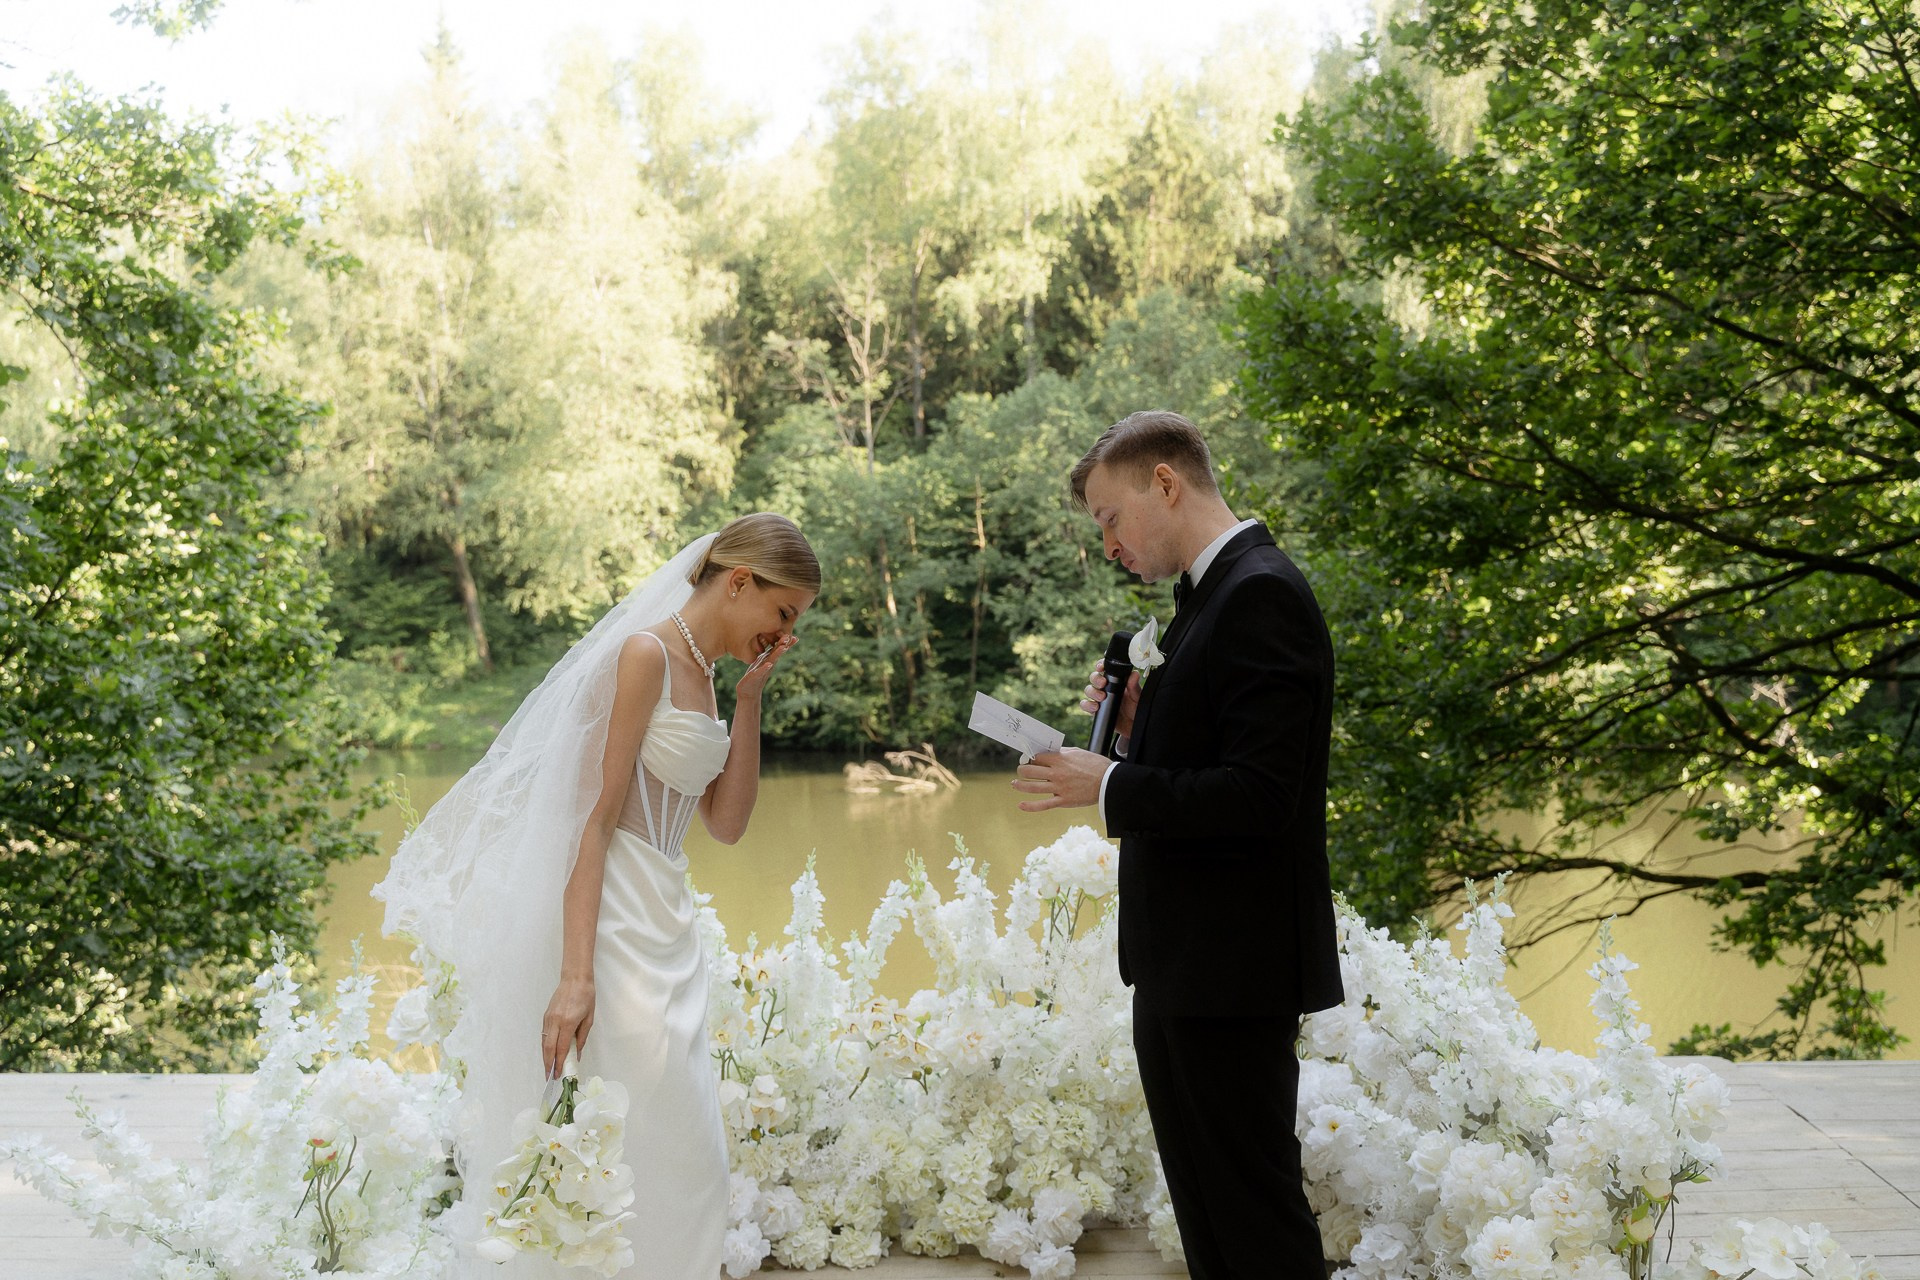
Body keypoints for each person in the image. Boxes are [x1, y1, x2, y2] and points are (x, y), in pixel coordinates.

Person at [375, 512, 819, 1280]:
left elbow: (728, 822)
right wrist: (574, 977)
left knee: (684, 1151)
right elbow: (593, 818)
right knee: (636, 1136)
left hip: (666, 916)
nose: (785, 632)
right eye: (783, 612)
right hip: (611, 921)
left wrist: (750, 701)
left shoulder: (709, 677)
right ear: (740, 581)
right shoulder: (643, 654)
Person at [1010, 411, 1343, 1279]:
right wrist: (1127, 727)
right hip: (1182, 962)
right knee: (1208, 1209)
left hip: (1234, 965)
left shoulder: (1259, 591)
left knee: (1254, 1210)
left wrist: (1109, 784)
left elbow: (1262, 795)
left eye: (1111, 520)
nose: (1110, 546)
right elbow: (1210, 758)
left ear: (1166, 483)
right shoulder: (1208, 598)